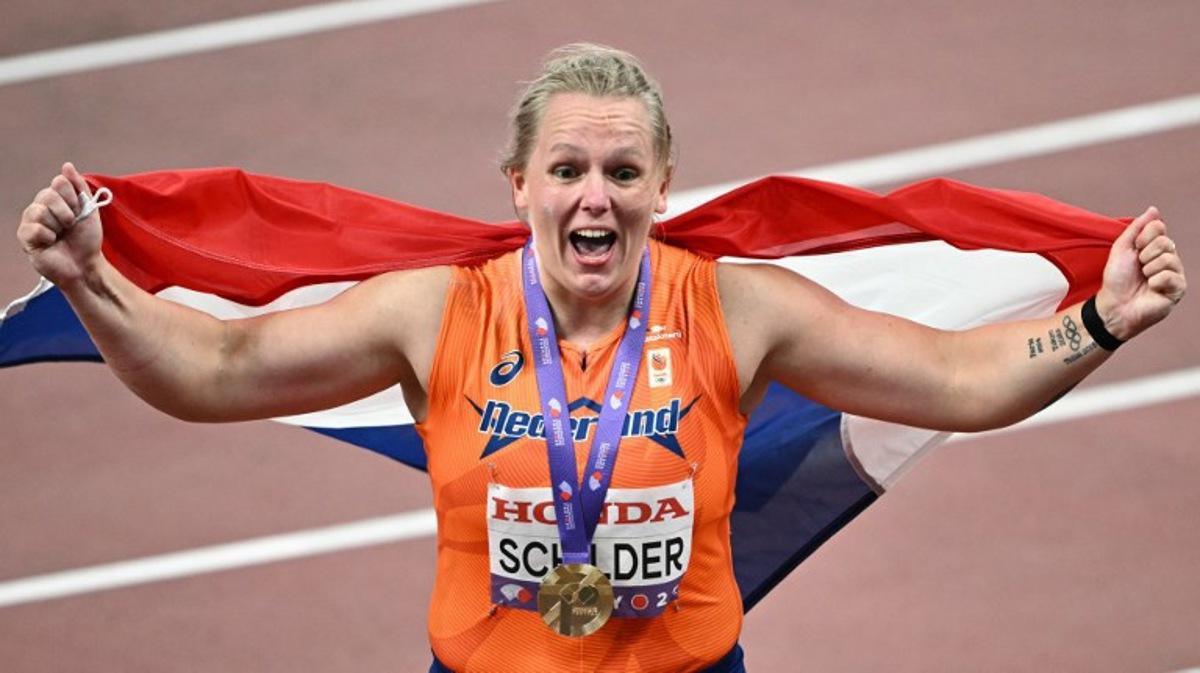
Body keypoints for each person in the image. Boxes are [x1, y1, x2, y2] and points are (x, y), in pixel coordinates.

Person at [15, 44, 1187, 673]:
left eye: (623, 172)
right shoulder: (434, 313)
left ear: (663, 187)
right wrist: (90, 279)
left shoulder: (741, 306)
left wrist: (1099, 321)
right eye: (567, 169)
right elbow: (213, 370)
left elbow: (956, 379)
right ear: (516, 185)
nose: (595, 195)